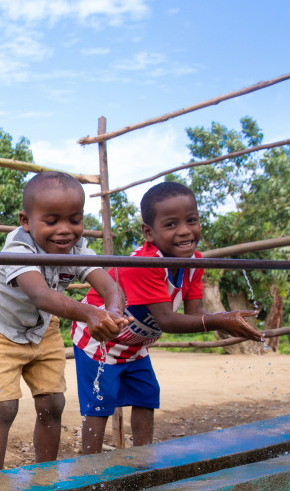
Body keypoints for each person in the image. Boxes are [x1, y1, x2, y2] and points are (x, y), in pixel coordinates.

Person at [71, 181, 262, 454]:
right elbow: (167, 321)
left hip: (135, 346)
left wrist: (222, 317)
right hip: (98, 341)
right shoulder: (145, 265)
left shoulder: (194, 262)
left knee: (146, 395)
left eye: (191, 220)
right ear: (149, 232)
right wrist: (220, 321)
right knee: (100, 403)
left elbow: (196, 314)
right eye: (171, 224)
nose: (185, 231)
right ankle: (89, 466)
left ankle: (142, 459)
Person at [0, 171, 129, 471]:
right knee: (4, 407)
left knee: (53, 403)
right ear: (26, 221)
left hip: (43, 328)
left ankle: (44, 478)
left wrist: (113, 312)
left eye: (74, 219)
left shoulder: (77, 249)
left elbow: (111, 287)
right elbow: (42, 296)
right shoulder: (18, 248)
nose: (65, 230)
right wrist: (90, 314)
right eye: (52, 220)